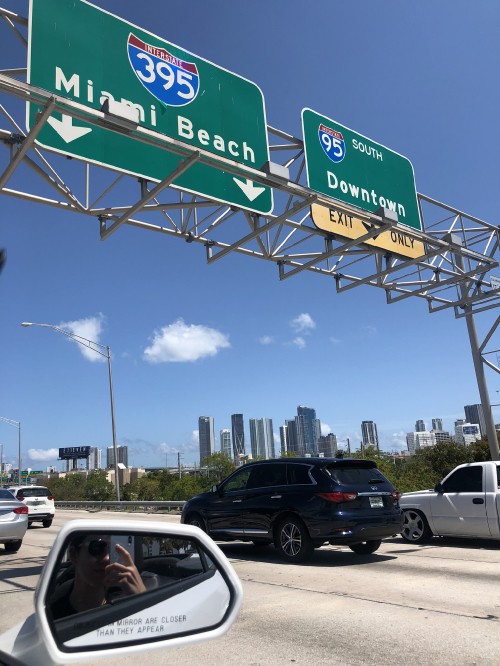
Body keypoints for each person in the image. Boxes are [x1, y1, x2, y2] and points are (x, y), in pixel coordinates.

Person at [50, 534, 146, 619]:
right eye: (97, 547)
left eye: (114, 550)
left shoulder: (126, 605)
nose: (107, 558)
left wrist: (141, 599)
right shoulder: (52, 612)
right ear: (74, 555)